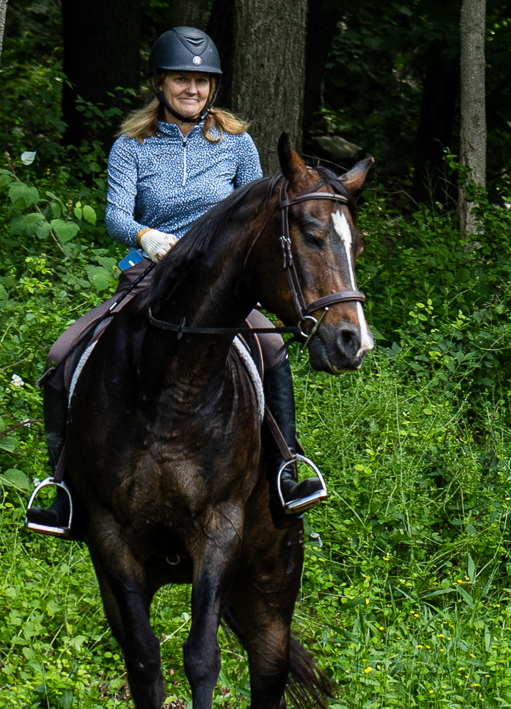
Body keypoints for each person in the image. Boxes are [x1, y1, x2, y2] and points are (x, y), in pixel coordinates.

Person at [23, 26, 324, 538]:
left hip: (220, 283)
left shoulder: (236, 143)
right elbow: (115, 214)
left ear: (213, 88)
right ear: (160, 84)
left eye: (202, 82)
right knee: (62, 354)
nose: (193, 89)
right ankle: (63, 490)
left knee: (271, 348)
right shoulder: (131, 145)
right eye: (182, 80)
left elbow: (253, 212)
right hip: (149, 275)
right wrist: (145, 236)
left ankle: (286, 470)